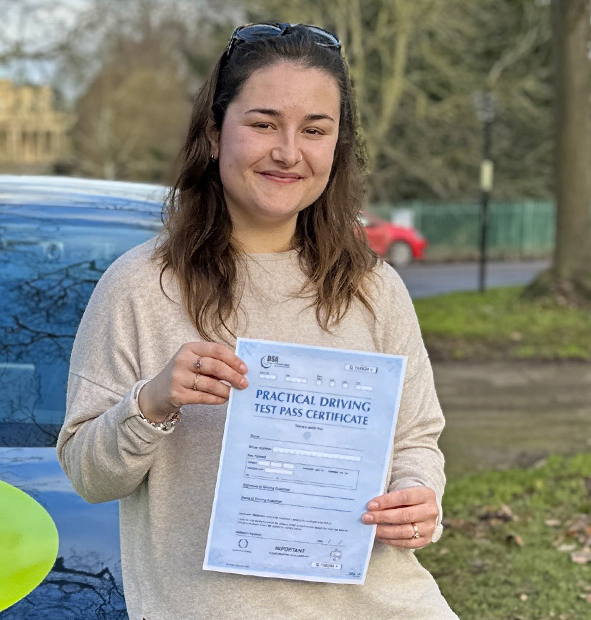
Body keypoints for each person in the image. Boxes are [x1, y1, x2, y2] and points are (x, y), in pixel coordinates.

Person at [57, 22, 457, 620]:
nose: (289, 151)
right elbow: (89, 473)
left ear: (336, 148)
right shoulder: (140, 287)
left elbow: (416, 439)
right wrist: (152, 403)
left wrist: (418, 498)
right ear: (214, 135)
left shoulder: (375, 288)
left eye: (315, 130)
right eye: (264, 123)